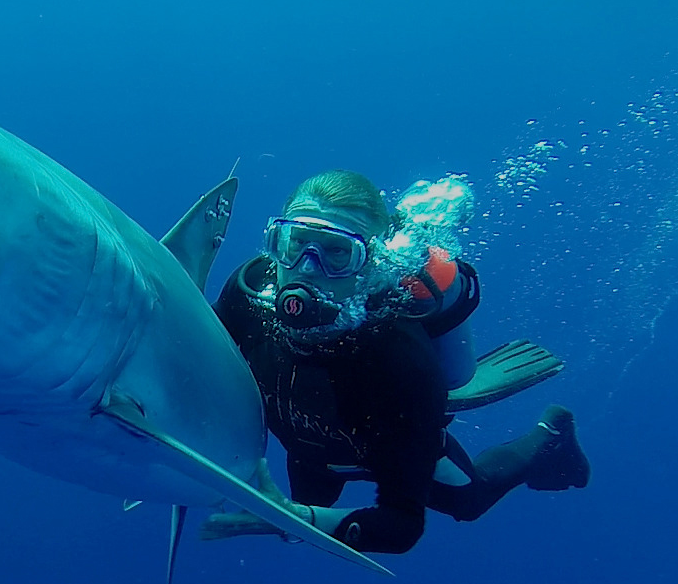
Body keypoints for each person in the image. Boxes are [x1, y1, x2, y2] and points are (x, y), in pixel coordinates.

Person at [203, 169, 590, 554]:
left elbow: (401, 527)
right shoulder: (247, 295)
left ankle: (549, 437)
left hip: (391, 449)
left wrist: (298, 519)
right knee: (307, 497)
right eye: (295, 242)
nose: (307, 268)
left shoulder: (400, 361)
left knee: (469, 502)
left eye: (337, 252)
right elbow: (195, 362)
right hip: (308, 454)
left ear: (371, 263)